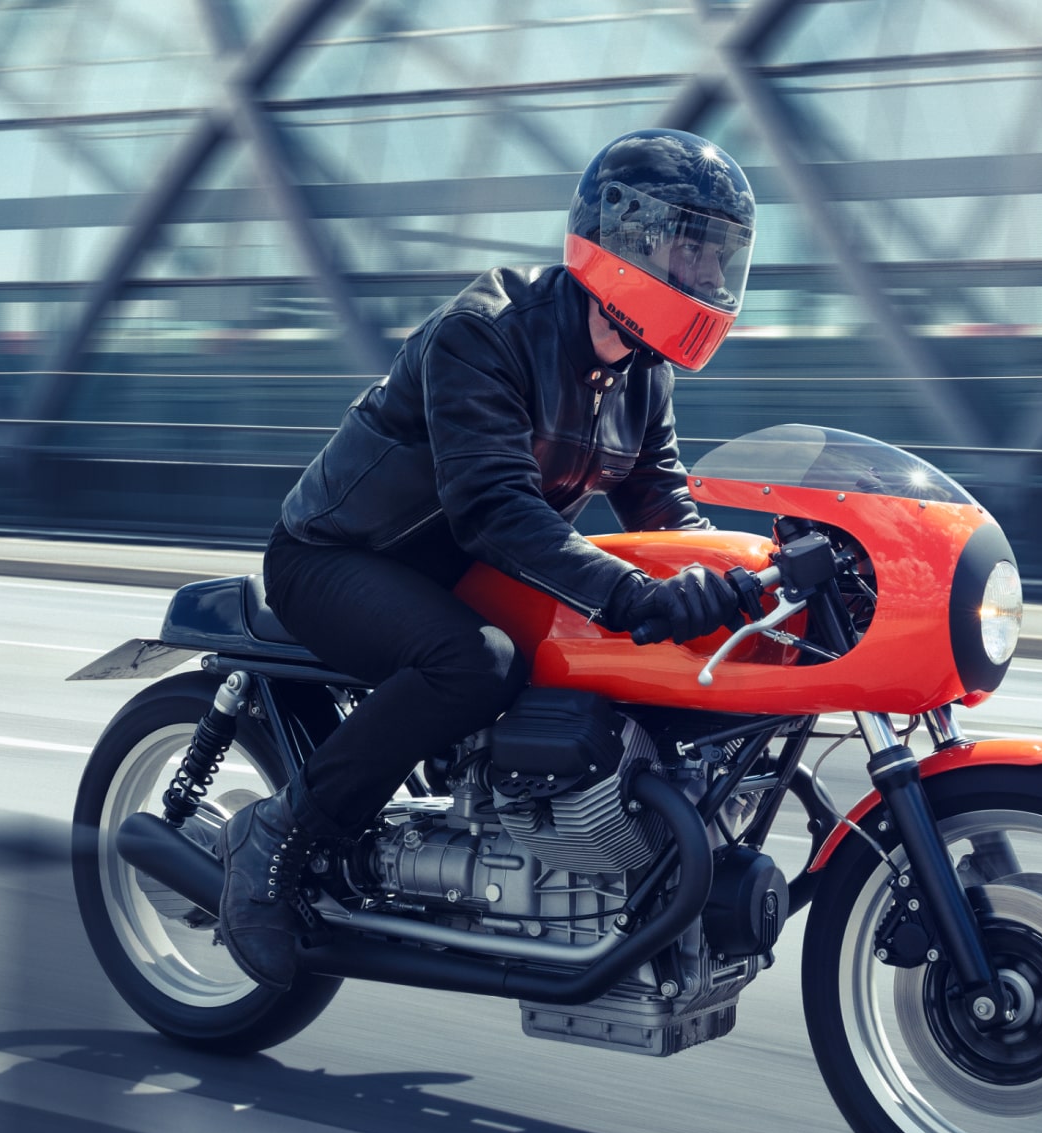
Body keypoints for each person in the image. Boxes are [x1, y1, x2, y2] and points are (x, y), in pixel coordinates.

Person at [217, 128, 763, 989]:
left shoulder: (642, 373)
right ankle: (276, 833)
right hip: (339, 556)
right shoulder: (485, 332)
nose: (705, 276)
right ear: (625, 240)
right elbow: (492, 507)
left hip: (469, 570)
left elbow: (663, 506)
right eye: (689, 250)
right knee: (474, 662)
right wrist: (628, 594)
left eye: (716, 255)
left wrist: (737, 581)